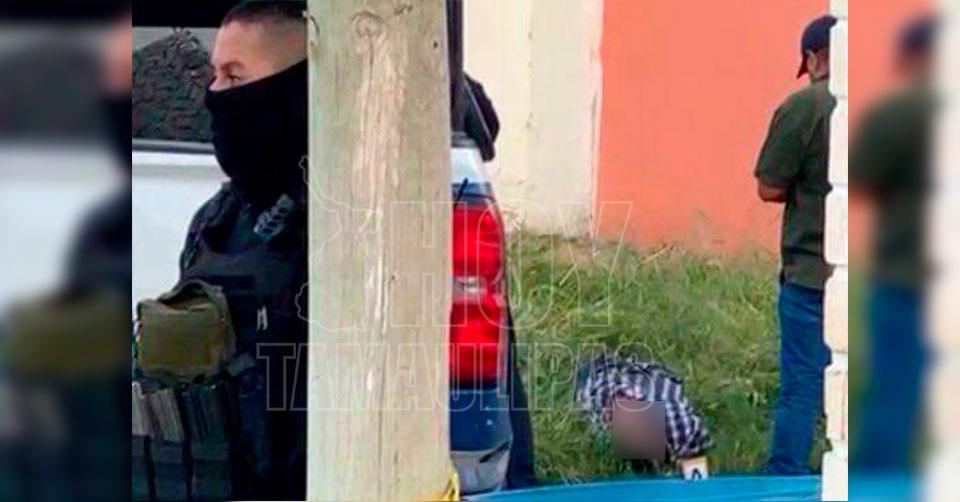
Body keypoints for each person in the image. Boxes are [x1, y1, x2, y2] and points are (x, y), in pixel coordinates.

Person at [178, 2, 311, 499]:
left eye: (235, 77)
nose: (215, 95)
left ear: (296, 91)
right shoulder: (218, 221)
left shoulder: (354, 230)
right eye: (214, 76)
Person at [850, 14, 935, 473]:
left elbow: (859, 178)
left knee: (892, 397)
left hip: (903, 278)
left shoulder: (895, 114)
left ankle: (880, 485)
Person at [754, 14, 837, 475]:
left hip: (810, 272)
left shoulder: (804, 106)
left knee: (801, 384)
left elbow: (768, 186)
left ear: (814, 58)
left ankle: (786, 476)